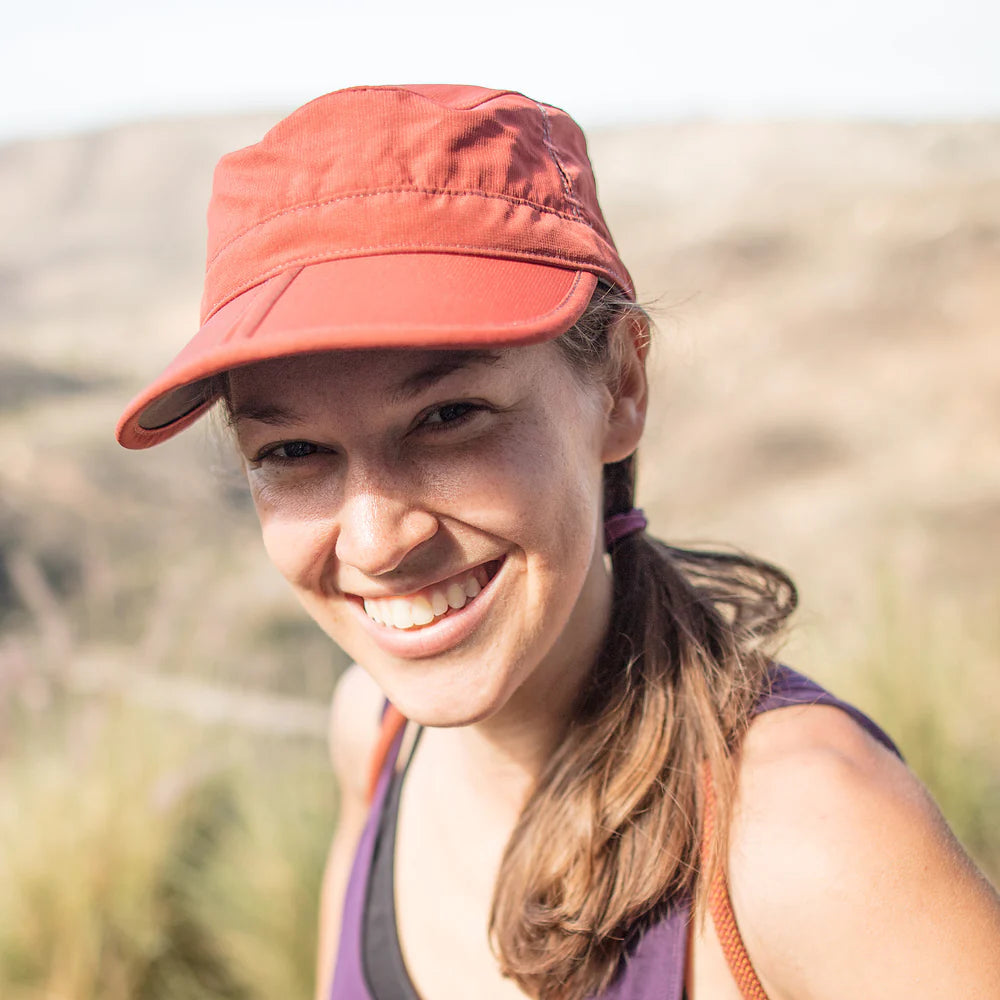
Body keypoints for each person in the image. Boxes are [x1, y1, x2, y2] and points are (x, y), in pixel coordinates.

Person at [116, 85, 1000, 1000]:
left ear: (620, 387)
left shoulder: (812, 840)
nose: (377, 542)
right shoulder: (373, 738)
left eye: (449, 416)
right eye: (292, 452)